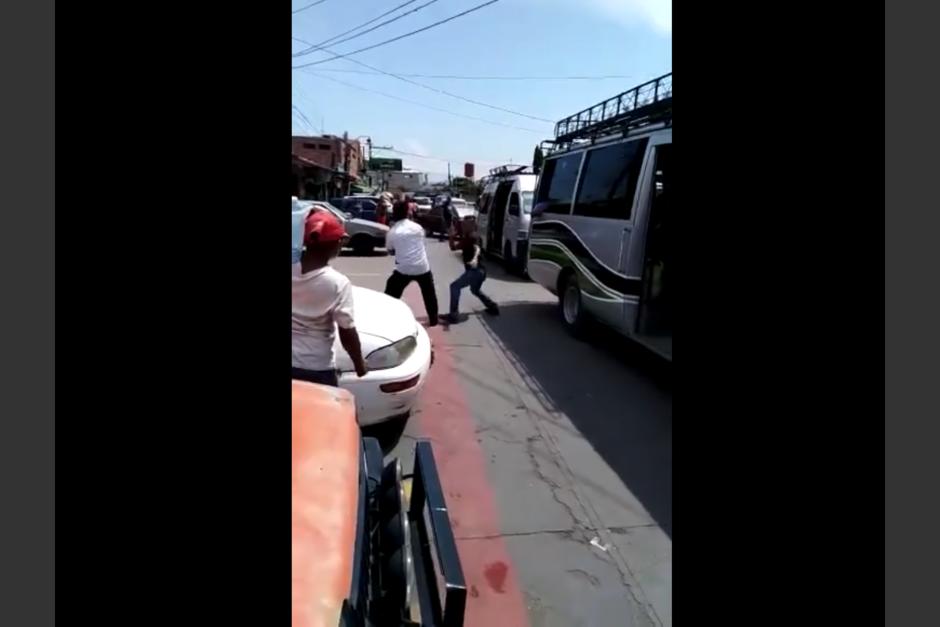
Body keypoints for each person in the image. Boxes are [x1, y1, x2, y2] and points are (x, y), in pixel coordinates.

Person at [292, 210, 368, 386]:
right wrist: (359, 365)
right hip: (316, 368)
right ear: (335, 244)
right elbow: (347, 331)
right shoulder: (337, 283)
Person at [384, 200, 439, 326]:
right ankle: (434, 319)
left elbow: (390, 250)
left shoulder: (392, 232)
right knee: (429, 293)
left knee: (391, 292)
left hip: (403, 269)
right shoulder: (418, 228)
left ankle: (387, 317)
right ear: (408, 213)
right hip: (422, 267)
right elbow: (420, 243)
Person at [440, 233, 499, 324]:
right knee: (475, 290)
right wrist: (451, 236)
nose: (461, 242)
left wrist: (451, 236)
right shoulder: (473, 243)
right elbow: (454, 247)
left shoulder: (470, 244)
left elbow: (454, 248)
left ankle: (453, 315)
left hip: (474, 272)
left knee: (454, 287)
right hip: (481, 272)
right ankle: (492, 306)